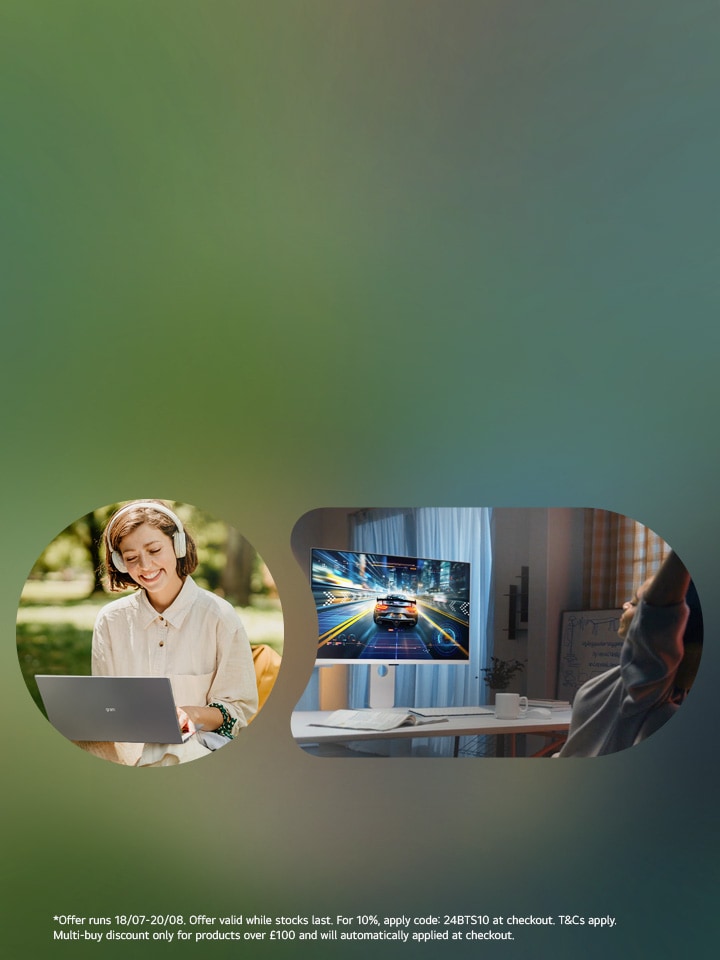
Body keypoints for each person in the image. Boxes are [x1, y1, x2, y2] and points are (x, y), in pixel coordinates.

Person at [92, 500, 258, 766]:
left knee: (166, 754)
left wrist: (191, 714)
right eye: (131, 558)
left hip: (193, 749)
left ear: (178, 546)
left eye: (154, 550)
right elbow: (103, 705)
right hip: (125, 750)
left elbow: (239, 711)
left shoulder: (220, 617)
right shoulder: (110, 620)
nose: (145, 566)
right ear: (119, 562)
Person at [558, 550, 702, 757]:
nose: (625, 605)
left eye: (635, 603)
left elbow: (659, 609)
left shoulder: (644, 689)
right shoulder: (630, 683)